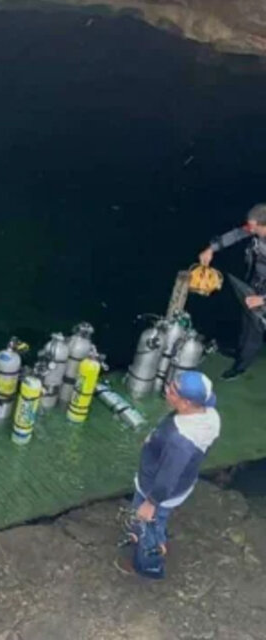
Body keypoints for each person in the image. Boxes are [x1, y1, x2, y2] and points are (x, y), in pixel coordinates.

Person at [117, 370, 220, 579]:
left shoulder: (180, 442)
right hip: (182, 483)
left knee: (147, 526)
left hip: (157, 491)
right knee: (154, 522)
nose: (167, 390)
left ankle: (149, 565)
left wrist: (151, 502)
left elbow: (168, 476)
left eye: (172, 391)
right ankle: (154, 533)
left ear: (187, 403)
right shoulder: (207, 414)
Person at [198, 203, 266, 379]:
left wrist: (263, 300)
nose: (248, 229)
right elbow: (236, 234)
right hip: (257, 280)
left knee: (255, 327)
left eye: (252, 226)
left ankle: (242, 365)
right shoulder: (253, 228)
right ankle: (240, 350)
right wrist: (211, 249)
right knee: (246, 315)